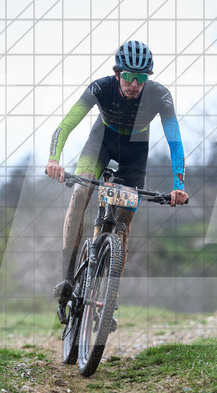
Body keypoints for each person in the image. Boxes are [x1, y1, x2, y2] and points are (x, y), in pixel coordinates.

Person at [45, 40, 188, 324]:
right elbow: (66, 124)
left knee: (123, 221)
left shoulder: (160, 96)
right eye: (128, 76)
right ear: (116, 73)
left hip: (135, 152)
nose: (134, 84)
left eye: (141, 78)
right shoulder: (101, 88)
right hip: (101, 143)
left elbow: (175, 141)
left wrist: (179, 186)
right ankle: (67, 278)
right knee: (80, 192)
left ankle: (109, 296)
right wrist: (53, 159)